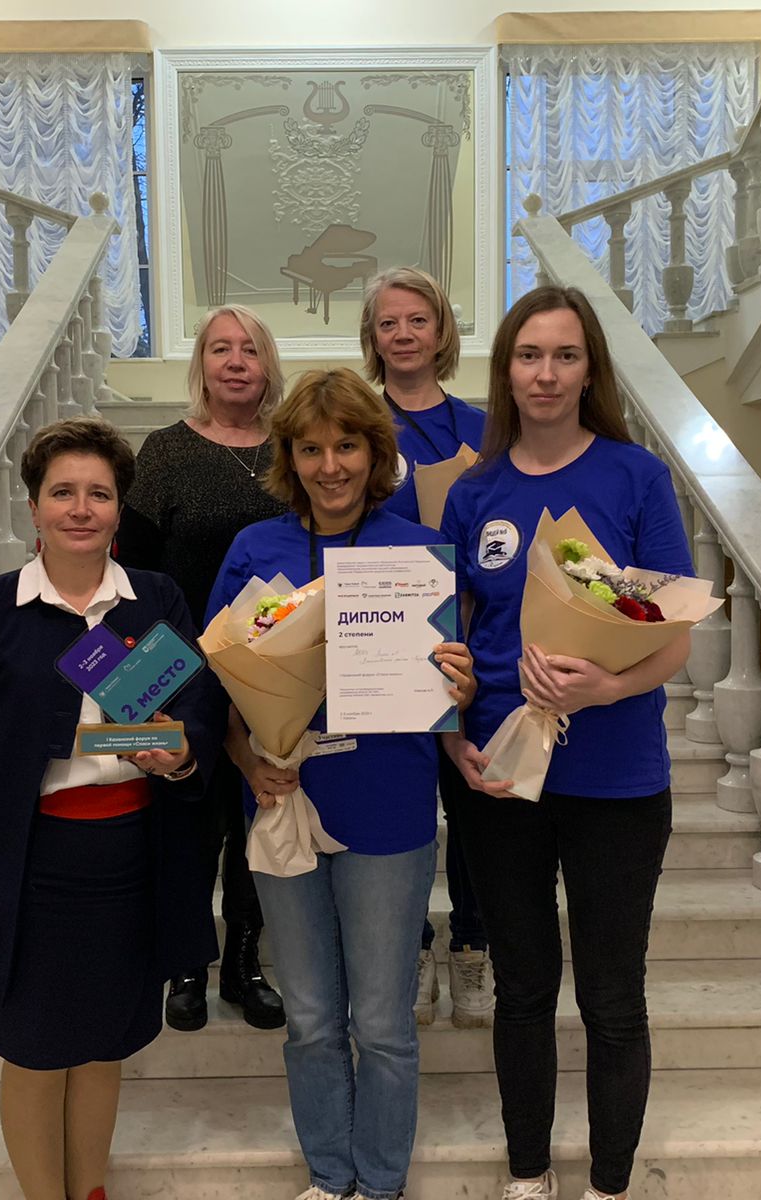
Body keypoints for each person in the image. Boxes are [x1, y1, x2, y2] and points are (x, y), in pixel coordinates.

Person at [0, 418, 222, 1200]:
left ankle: (91, 1191)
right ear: (34, 508)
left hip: (131, 856)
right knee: (35, 1047)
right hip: (35, 866)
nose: (81, 509)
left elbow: (200, 709)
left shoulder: (154, 599)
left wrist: (181, 754)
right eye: (63, 493)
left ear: (119, 511)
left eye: (99, 494)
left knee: (104, 1042)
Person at [438, 286, 695, 1200]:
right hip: (500, 775)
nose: (545, 373)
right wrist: (453, 741)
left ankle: (610, 1184)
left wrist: (609, 686)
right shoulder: (475, 493)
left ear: (591, 371)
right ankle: (528, 1174)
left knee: (613, 996)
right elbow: (448, 640)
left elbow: (675, 635)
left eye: (565, 355)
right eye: (529, 355)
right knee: (521, 988)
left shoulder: (636, 477)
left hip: (617, 777)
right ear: (506, 370)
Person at [209, 368, 477, 1200]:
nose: (331, 466)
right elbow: (220, 684)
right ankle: (330, 1177)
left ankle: (382, 1182)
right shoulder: (255, 549)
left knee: (385, 1024)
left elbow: (448, 689)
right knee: (312, 1019)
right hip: (284, 802)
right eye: (312, 448)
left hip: (389, 806)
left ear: (376, 452)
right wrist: (245, 760)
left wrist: (461, 684)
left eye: (348, 445)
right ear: (289, 456)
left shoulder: (417, 552)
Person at [117, 304, 290, 1033]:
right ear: (202, 365)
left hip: (274, 669)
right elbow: (130, 573)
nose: (236, 361)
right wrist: (136, 681)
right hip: (181, 668)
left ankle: (245, 964)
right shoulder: (164, 451)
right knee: (189, 826)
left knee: (256, 816)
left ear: (268, 364)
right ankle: (187, 965)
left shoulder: (291, 449)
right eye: (220, 348)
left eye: (249, 348)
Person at [358, 266, 493, 1029]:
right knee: (402, 805)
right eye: (389, 323)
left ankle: (472, 944)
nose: (404, 334)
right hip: (381, 647)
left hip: (473, 643)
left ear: (441, 331)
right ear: (372, 338)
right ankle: (408, 946)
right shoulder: (357, 422)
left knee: (472, 804)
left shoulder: (485, 428)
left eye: (418, 320)